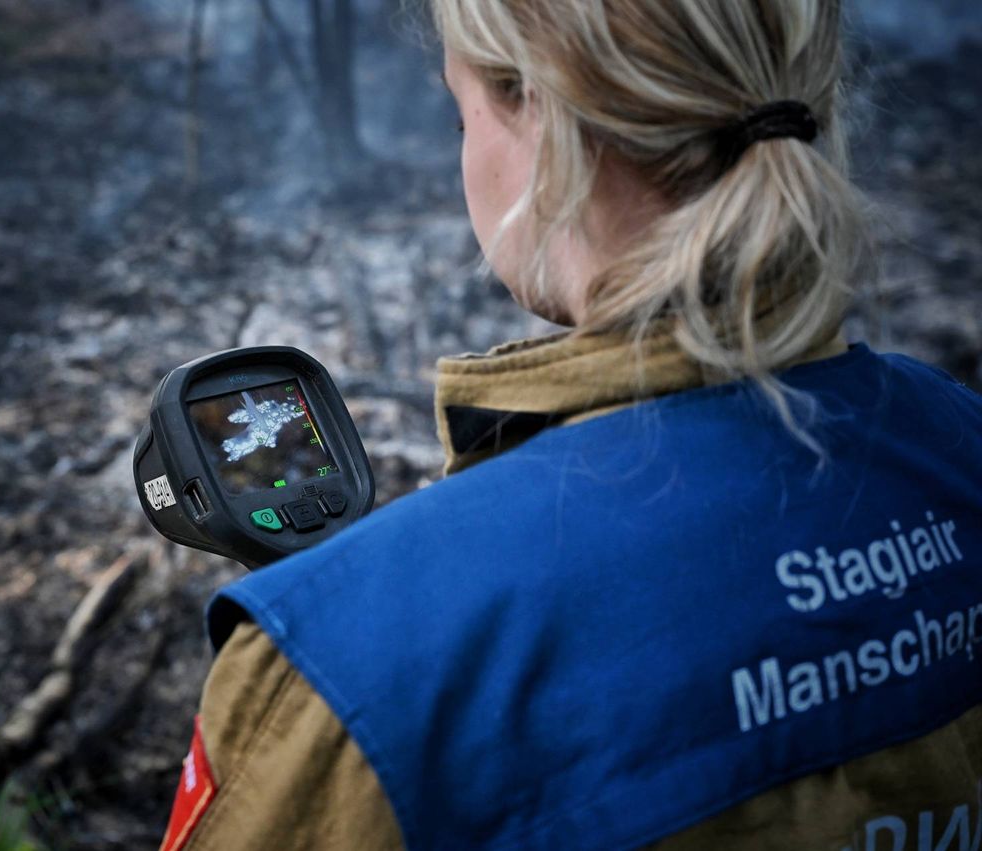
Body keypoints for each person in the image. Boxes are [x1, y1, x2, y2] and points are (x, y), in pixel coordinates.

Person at [158, 1, 982, 849]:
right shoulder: (961, 435)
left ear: (539, 114)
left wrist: (372, 599)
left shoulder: (348, 670)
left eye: (462, 110)